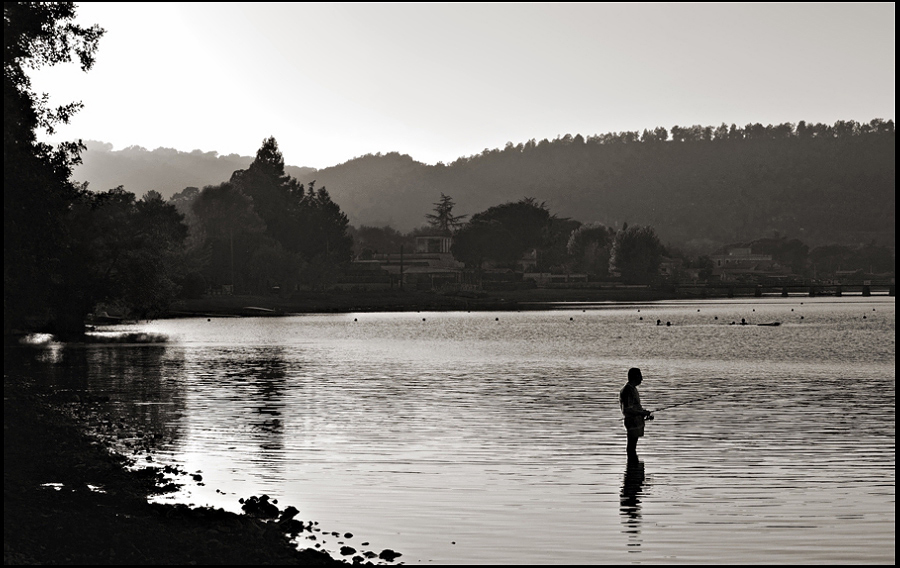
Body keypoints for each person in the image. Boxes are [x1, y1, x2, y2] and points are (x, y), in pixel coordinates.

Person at [620, 367, 653, 461]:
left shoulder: (632, 389)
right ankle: (632, 468)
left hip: (636, 421)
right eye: (640, 376)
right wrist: (642, 413)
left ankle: (634, 469)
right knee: (631, 446)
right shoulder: (628, 390)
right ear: (635, 377)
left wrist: (644, 413)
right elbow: (627, 409)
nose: (642, 379)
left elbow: (634, 407)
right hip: (632, 422)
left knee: (633, 446)